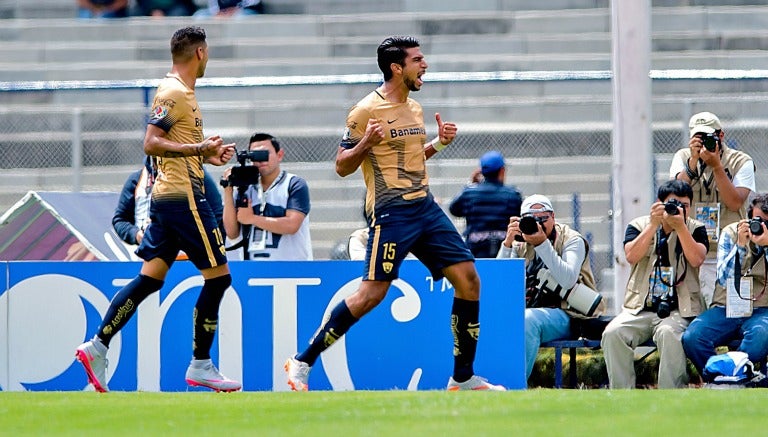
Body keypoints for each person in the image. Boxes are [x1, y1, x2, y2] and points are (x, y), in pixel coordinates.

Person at [284, 35, 505, 392]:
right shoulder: (364, 111)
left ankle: (462, 377)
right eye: (418, 60)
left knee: (469, 279)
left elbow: (411, 161)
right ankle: (302, 360)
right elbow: (341, 165)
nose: (425, 65)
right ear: (396, 68)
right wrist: (365, 144)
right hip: (392, 213)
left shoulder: (415, 109)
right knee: (372, 294)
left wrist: (439, 143)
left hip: (425, 207)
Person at [75, 26, 241, 393]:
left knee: (149, 280)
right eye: (207, 52)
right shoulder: (174, 92)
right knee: (220, 278)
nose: (208, 58)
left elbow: (173, 148)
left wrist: (207, 154)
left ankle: (97, 346)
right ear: (200, 53)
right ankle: (201, 364)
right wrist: (199, 150)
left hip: (170, 198)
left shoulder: (183, 94)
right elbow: (151, 142)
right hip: (183, 199)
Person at [601, 180, 709, 389]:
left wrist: (681, 228)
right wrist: (653, 225)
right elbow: (631, 256)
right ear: (659, 203)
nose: (678, 209)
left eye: (684, 206)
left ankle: (670, 396)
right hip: (640, 308)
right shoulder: (639, 225)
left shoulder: (697, 228)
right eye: (672, 204)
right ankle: (622, 396)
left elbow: (696, 259)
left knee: (669, 334)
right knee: (613, 333)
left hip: (679, 309)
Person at [496, 194, 604, 382]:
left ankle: (514, 384)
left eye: (543, 219)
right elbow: (502, 283)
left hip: (569, 314)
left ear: (553, 217)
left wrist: (541, 244)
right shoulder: (520, 242)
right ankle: (488, 380)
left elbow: (568, 280)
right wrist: (507, 245)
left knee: (528, 320)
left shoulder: (572, 240)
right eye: (531, 220)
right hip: (532, 309)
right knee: (491, 316)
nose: (537, 225)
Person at [670, 111, 755, 307]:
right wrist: (692, 163)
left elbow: (735, 202)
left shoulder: (740, 161)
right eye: (698, 137)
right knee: (693, 311)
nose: (703, 142)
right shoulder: (682, 157)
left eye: (708, 137)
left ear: (721, 136)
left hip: (730, 250)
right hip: (694, 250)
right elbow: (675, 194)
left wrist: (716, 166)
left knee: (731, 310)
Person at [682, 193, 768, 376]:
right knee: (694, 337)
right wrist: (740, 246)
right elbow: (723, 278)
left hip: (762, 309)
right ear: (749, 216)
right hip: (726, 307)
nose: (761, 227)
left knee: (760, 335)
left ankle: (735, 375)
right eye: (758, 220)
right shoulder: (731, 232)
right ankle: (717, 377)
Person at [221, 132, 312, 261]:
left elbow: (292, 225)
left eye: (265, 154)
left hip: (291, 267)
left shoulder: (294, 183)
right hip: (253, 268)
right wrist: (228, 190)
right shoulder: (245, 188)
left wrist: (252, 218)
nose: (261, 160)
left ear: (279, 155)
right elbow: (232, 233)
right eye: (255, 155)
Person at [112, 155, 223, 251]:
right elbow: (120, 219)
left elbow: (217, 215)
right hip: (147, 255)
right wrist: (137, 235)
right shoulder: (137, 179)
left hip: (190, 258)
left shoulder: (198, 176)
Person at [449, 150, 522, 258]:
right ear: (501, 171)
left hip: (475, 250)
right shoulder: (512, 194)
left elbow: (454, 210)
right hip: (506, 249)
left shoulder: (469, 193)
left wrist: (471, 184)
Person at [193, 0, 261, 18]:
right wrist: (218, 13)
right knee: (199, 16)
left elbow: (253, 2)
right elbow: (213, 6)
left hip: (243, 11)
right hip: (222, 12)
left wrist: (235, 10)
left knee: (240, 18)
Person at [132, 0, 198, 17]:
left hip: (175, 8)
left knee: (180, 13)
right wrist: (151, 11)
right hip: (149, 9)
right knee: (134, 13)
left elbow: (187, 3)